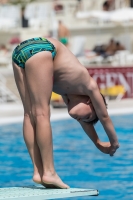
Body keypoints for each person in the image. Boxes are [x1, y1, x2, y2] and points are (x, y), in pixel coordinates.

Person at [12, 37, 119, 189]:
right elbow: (104, 116)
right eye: (88, 116)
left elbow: (86, 122)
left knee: (30, 114)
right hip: (42, 48)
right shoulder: (90, 86)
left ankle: (38, 171)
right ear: (91, 102)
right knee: (41, 114)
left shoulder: (67, 90)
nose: (81, 119)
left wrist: (97, 143)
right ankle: (49, 172)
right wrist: (113, 142)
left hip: (19, 52)